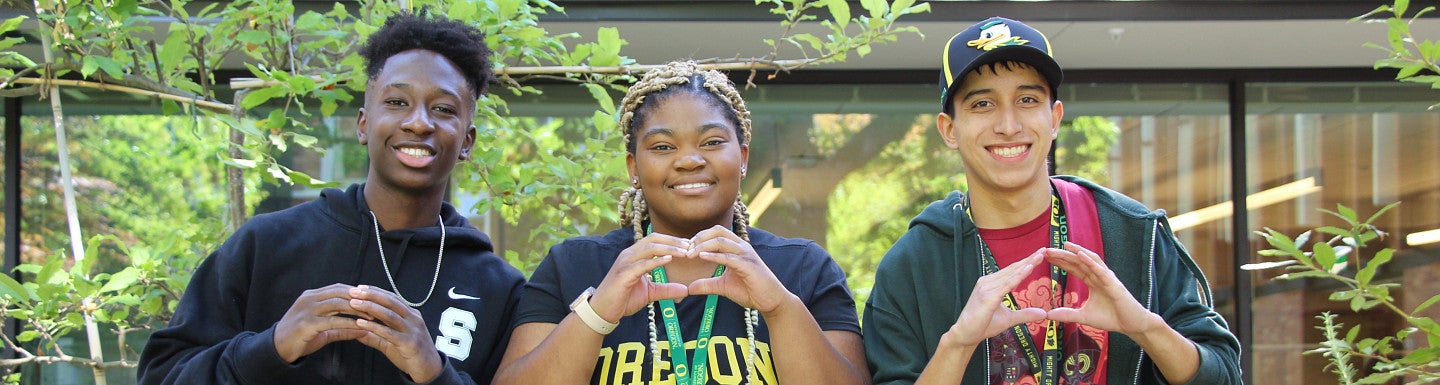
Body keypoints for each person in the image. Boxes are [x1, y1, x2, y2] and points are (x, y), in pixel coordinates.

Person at [138, 12, 524, 385]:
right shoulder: (267, 244)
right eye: (396, 102)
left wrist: (434, 373)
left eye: (442, 109)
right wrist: (271, 347)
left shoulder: (498, 288)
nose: (419, 122)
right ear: (363, 124)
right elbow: (162, 376)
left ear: (466, 142)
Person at [862, 16, 1241, 385]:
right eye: (982, 104)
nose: (1008, 125)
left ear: (1055, 118)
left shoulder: (1133, 233)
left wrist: (1144, 327)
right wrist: (958, 344)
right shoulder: (913, 265)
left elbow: (1223, 373)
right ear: (949, 129)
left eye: (1027, 99)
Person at [493, 61, 868, 385]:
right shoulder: (571, 266)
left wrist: (780, 309)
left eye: (711, 142)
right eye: (662, 147)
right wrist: (597, 313)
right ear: (633, 168)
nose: (689, 160)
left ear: (743, 157)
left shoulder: (805, 267)